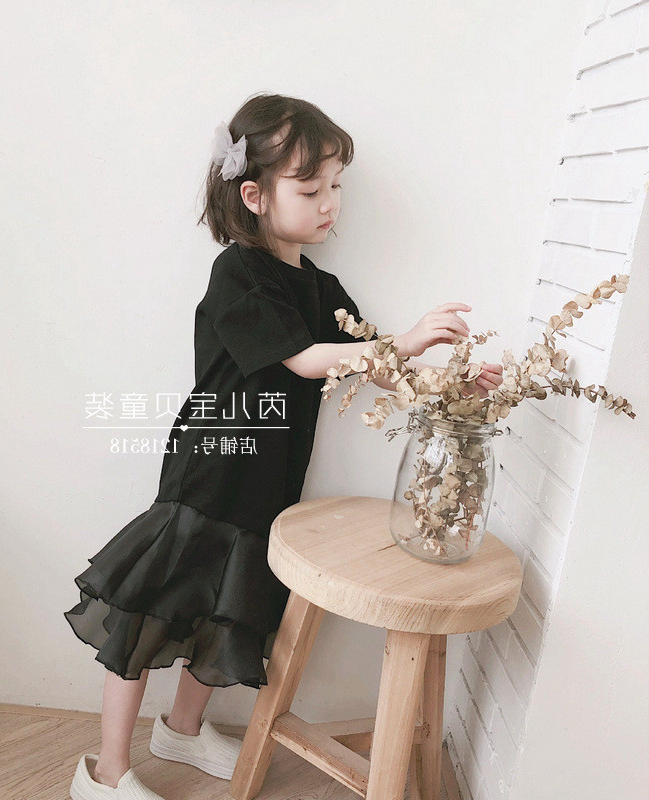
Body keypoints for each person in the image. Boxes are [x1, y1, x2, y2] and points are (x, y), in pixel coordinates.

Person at [65, 92, 504, 800]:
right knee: (150, 609)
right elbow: (305, 360)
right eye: (310, 188)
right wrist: (407, 340)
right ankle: (107, 771)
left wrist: (447, 380)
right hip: (211, 472)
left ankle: (180, 730)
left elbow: (368, 363)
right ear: (255, 195)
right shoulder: (239, 272)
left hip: (268, 484)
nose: (331, 203)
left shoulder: (323, 288)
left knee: (229, 610)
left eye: (336, 186)